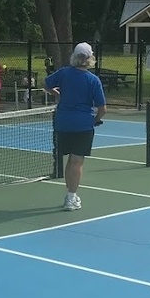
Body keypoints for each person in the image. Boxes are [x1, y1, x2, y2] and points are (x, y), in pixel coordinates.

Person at [45, 42, 106, 211]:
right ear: (89, 59)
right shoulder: (93, 80)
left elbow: (46, 83)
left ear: (75, 57)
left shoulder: (63, 73)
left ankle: (70, 195)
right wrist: (95, 120)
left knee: (70, 160)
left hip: (63, 124)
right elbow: (102, 109)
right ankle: (71, 197)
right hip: (82, 125)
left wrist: (56, 94)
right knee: (76, 161)